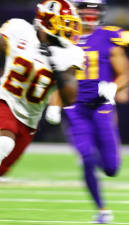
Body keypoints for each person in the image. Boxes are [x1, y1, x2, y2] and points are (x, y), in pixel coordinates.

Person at [45, 0, 129, 223]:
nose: (90, 14)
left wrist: (114, 86)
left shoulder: (109, 36)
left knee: (111, 168)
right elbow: (60, 77)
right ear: (75, 10)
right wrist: (54, 105)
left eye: (94, 9)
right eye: (85, 8)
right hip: (75, 109)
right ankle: (102, 210)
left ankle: (100, 160)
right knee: (87, 158)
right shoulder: (63, 36)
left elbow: (124, 74)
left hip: (102, 106)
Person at [0, 0, 83, 176]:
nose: (69, 29)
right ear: (46, 20)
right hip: (5, 100)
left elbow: (70, 98)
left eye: (71, 24)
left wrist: (56, 67)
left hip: (29, 119)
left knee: (2, 169)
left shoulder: (70, 53)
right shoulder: (20, 30)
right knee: (4, 143)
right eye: (64, 23)